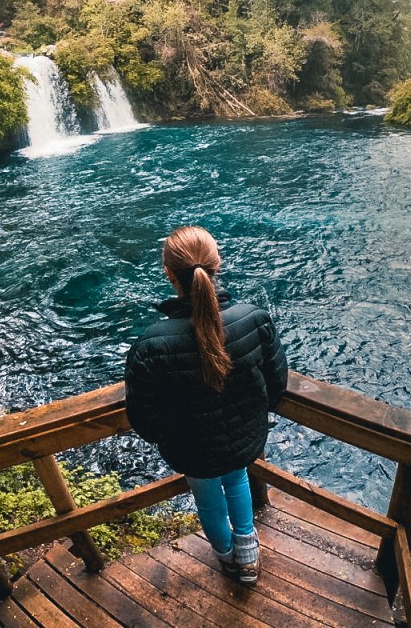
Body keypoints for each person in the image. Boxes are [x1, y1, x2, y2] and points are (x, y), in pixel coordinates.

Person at [125, 226, 288, 586]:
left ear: (169, 274)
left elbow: (145, 419)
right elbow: (277, 386)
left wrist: (170, 434)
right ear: (218, 265)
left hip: (193, 450)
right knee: (238, 479)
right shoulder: (254, 318)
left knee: (209, 501)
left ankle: (228, 560)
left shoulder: (151, 345)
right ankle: (248, 558)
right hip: (245, 439)